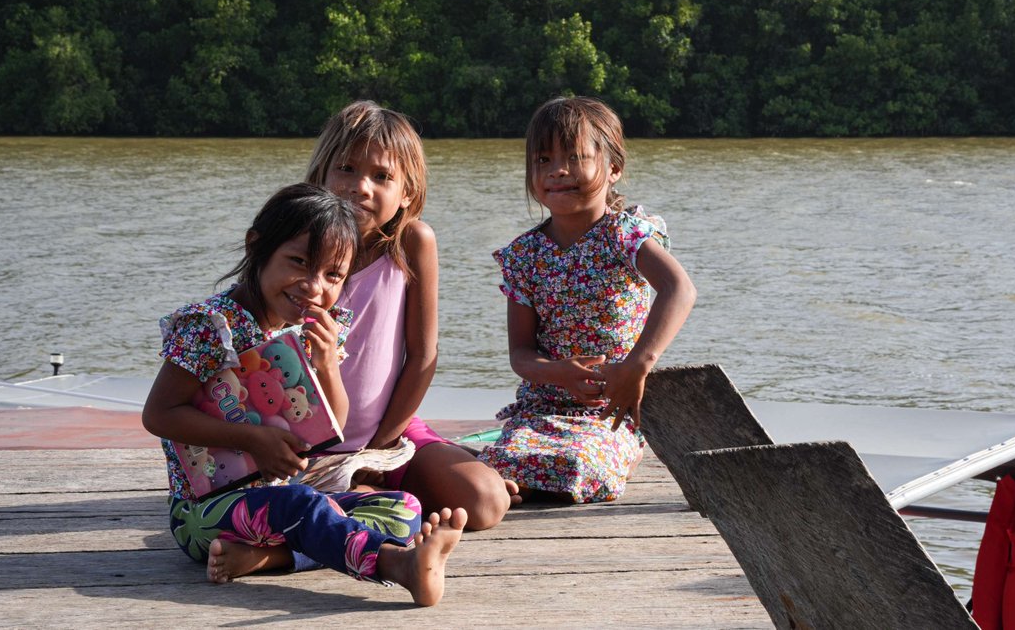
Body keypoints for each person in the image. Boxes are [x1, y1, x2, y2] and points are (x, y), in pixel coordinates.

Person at [141, 183, 466, 606]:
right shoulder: (210, 326)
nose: (315, 288)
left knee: (402, 508)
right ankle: (396, 566)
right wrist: (252, 439)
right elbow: (159, 414)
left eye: (333, 275)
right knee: (298, 504)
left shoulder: (316, 329)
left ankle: (268, 557)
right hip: (205, 514)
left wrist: (328, 364)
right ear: (256, 247)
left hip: (290, 497)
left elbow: (337, 420)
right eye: (298, 262)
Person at [303, 100, 516, 529]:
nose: (361, 187)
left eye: (382, 177)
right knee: (352, 509)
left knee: (485, 501)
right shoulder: (296, 244)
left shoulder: (410, 243)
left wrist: (378, 450)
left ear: (407, 195)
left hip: (389, 432)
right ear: (320, 176)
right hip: (307, 446)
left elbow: (422, 357)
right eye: (346, 168)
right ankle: (374, 499)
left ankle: (404, 483)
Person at [476, 96, 697, 503]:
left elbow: (679, 289)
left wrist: (636, 366)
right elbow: (521, 356)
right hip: (543, 407)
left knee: (578, 463)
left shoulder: (624, 236)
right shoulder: (525, 255)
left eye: (575, 157)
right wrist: (561, 372)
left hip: (612, 408)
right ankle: (516, 479)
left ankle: (598, 460)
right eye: (543, 160)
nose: (557, 171)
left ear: (613, 168)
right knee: (496, 464)